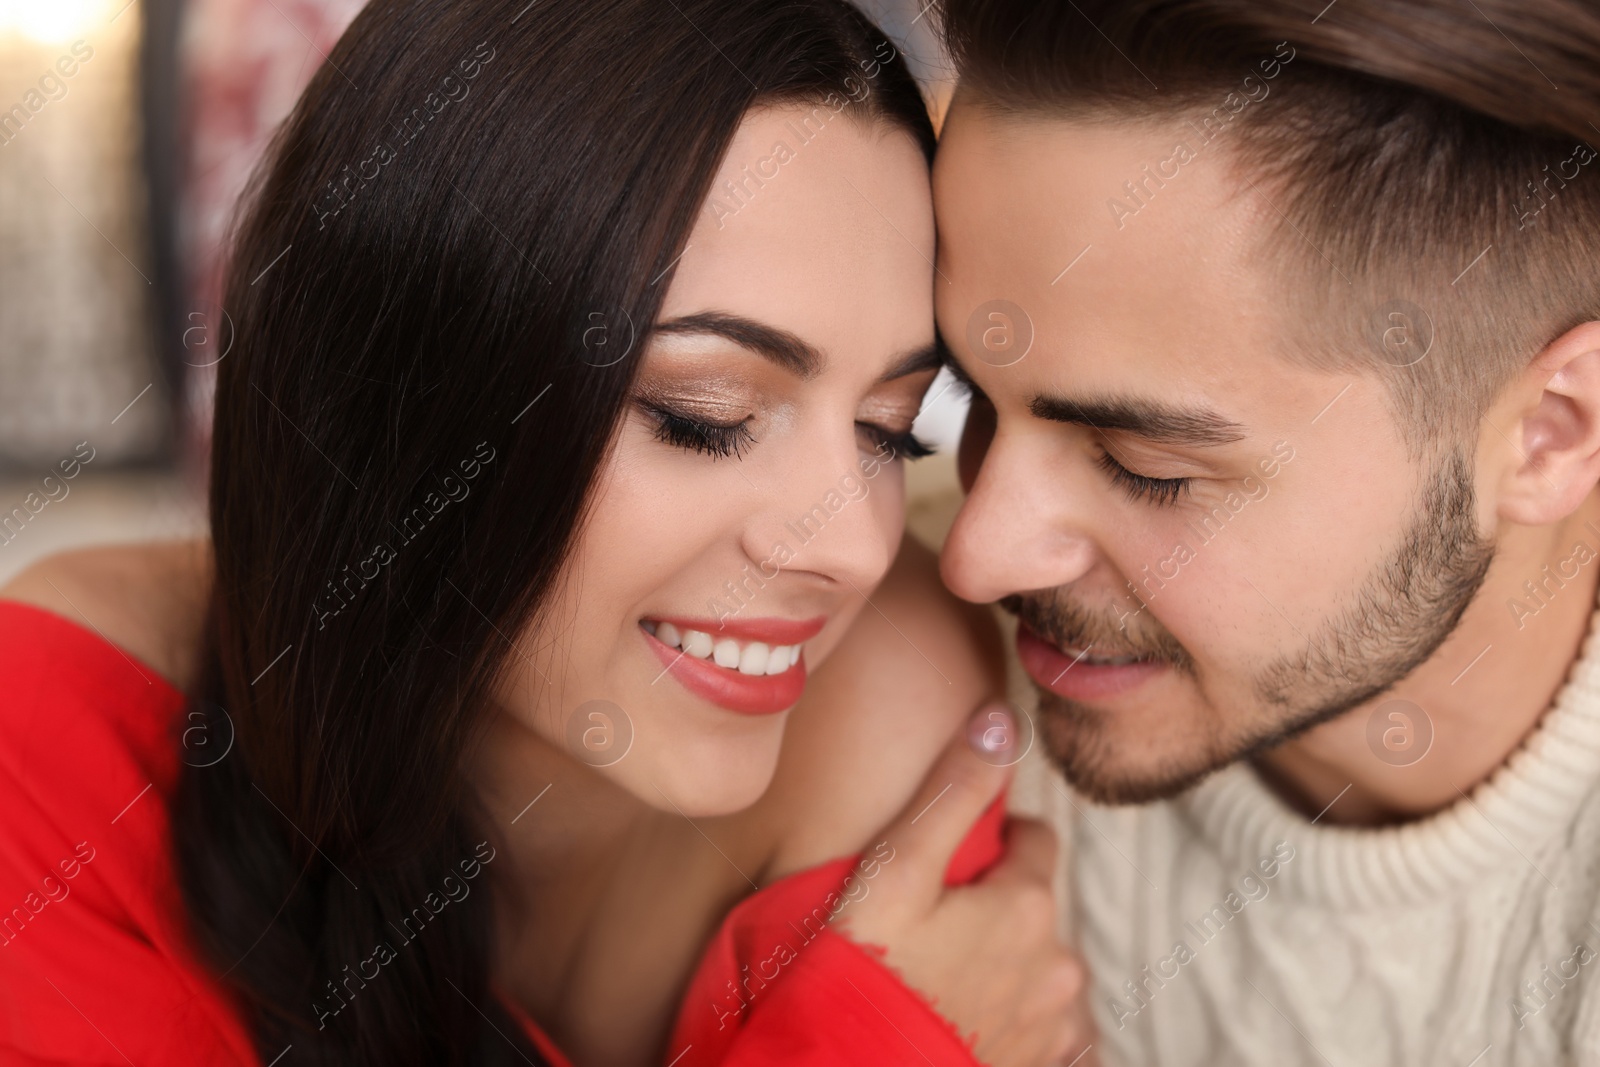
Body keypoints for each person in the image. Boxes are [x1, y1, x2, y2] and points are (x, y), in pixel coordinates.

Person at [0, 1, 1087, 1065]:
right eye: (702, 416)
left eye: (890, 433)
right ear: (401, 397)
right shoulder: (56, 733)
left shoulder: (894, 709)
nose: (849, 546)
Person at [932, 0, 1600, 1063]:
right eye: (960, 391)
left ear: (1549, 434)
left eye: (1141, 467)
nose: (974, 553)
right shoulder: (883, 679)